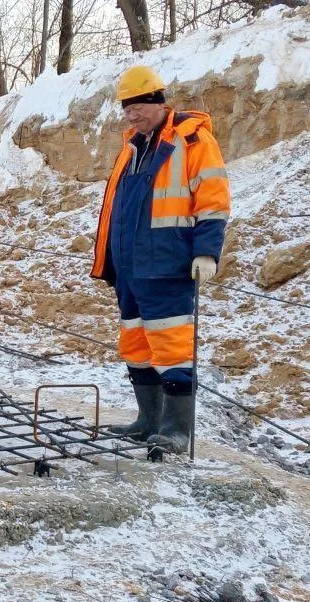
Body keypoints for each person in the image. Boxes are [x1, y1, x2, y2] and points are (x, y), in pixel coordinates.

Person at [90, 66, 231, 454]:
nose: (132, 115)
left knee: (172, 345)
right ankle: (148, 420)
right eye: (126, 109)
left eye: (138, 107)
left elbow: (213, 199)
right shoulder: (133, 146)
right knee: (136, 344)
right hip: (130, 266)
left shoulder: (191, 139)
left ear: (157, 102)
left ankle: (176, 430)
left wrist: (206, 251)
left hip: (167, 263)